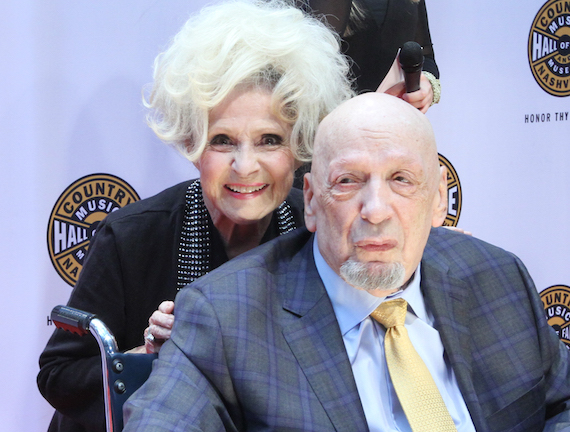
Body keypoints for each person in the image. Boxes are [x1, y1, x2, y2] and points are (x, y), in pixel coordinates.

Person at [123, 93, 570, 431]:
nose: (375, 209)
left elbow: (560, 406)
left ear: (437, 202)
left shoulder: (498, 278)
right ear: (313, 202)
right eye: (348, 181)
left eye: (401, 179)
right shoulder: (226, 317)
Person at [37, 2, 354, 431]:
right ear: (192, 144)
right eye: (223, 140)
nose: (245, 166)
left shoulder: (321, 228)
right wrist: (142, 359)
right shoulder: (133, 237)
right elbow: (59, 377)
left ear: (300, 146)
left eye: (269, 140)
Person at [303, 0, 440, 112]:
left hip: (390, 126)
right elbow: (308, 58)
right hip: (325, 129)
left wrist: (426, 86)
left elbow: (425, 55)